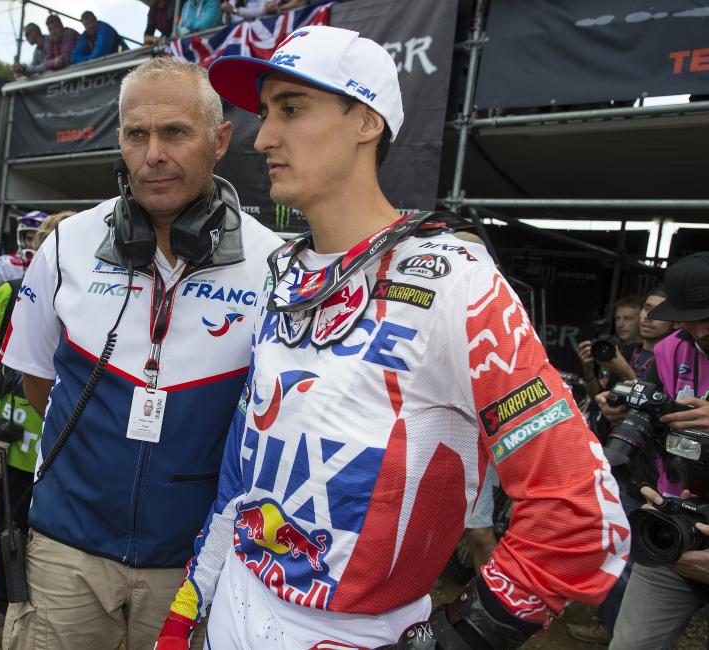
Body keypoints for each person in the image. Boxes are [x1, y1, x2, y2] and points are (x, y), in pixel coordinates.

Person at [154, 26, 628, 650]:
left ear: (366, 122)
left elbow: (582, 518)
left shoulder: (455, 284)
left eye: (291, 110)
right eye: (266, 113)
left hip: (357, 630)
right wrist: (187, 611)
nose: (263, 136)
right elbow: (243, 481)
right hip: (230, 611)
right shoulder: (285, 275)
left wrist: (453, 639)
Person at [0, 57, 282, 650]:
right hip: (65, 548)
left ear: (220, 140)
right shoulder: (68, 244)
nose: (153, 153)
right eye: (136, 134)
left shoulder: (276, 265)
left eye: (175, 131)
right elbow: (37, 379)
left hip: (196, 561)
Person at [0, 212, 73, 650]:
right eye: (43, 243)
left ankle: (53, 611)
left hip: (66, 447)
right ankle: (1, 609)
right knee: (8, 526)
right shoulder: (8, 294)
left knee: (58, 534)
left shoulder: (100, 301)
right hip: (15, 443)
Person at [597, 252, 709, 650]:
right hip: (674, 522)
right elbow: (650, 406)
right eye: (687, 318)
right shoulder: (670, 350)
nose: (697, 331)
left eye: (707, 316)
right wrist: (625, 405)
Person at [567, 288, 676, 644]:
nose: (646, 318)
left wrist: (623, 371)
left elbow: (664, 408)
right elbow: (613, 400)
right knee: (606, 548)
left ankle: (618, 630)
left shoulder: (670, 358)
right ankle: (612, 624)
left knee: (624, 554)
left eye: (655, 312)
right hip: (617, 458)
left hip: (649, 472)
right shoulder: (632, 353)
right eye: (644, 309)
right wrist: (596, 377)